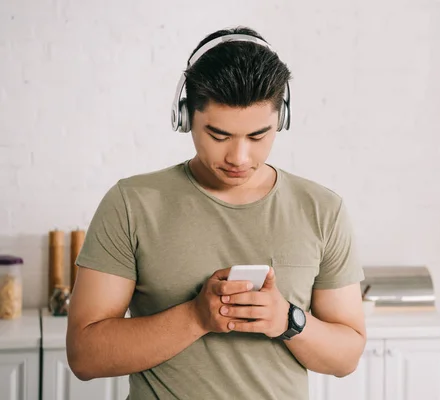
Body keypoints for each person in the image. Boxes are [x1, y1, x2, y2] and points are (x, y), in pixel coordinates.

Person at [66, 26, 366, 400]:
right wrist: (195, 317)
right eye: (219, 136)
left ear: (281, 120)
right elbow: (84, 356)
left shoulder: (322, 210)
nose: (239, 158)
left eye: (258, 136)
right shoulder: (131, 203)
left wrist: (287, 321)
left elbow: (347, 357)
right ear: (185, 117)